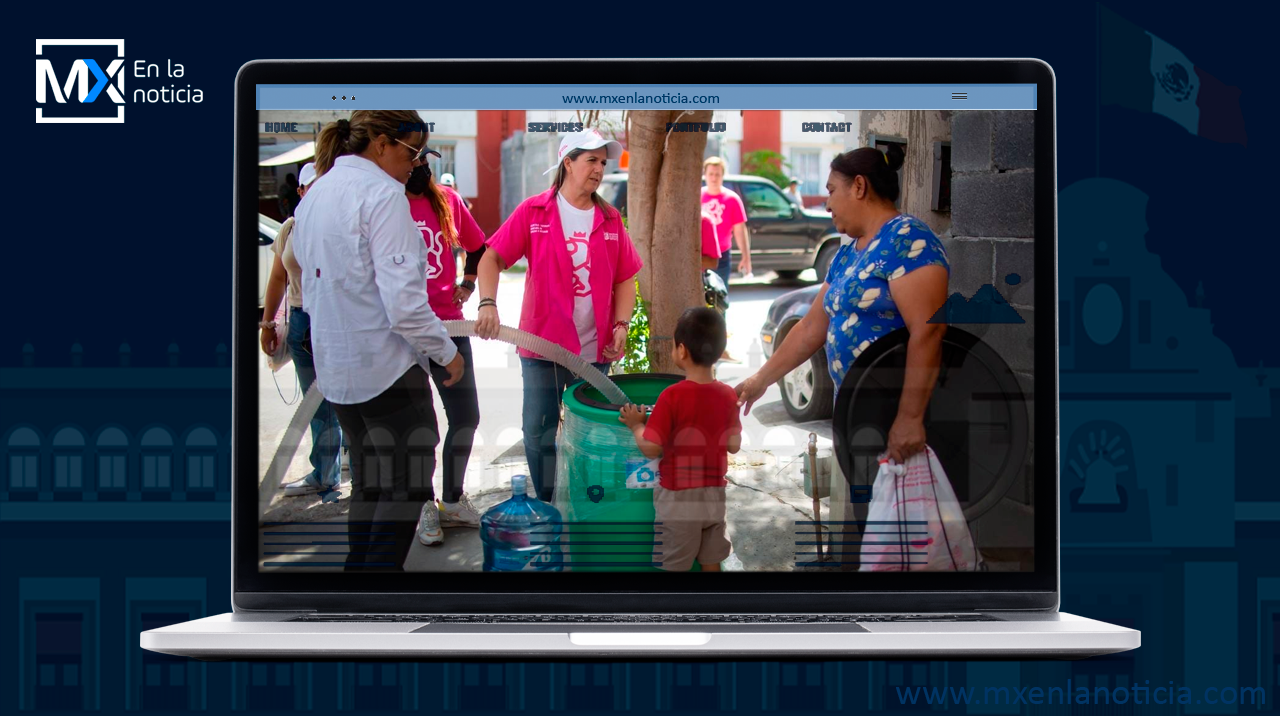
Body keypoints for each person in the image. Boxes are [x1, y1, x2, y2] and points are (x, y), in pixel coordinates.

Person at [292, 110, 465, 571]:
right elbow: (405, 305)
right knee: (408, 483)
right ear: (383, 144)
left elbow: (312, 286)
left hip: (339, 369)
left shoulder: (317, 193)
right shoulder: (382, 195)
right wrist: (447, 355)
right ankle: (377, 588)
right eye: (412, 152)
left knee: (369, 480)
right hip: (386, 368)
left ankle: (357, 579)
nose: (417, 164)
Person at [735, 145, 949, 465]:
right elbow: (810, 328)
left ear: (859, 186)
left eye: (832, 191)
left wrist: (909, 418)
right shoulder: (848, 254)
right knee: (867, 512)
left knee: (902, 514)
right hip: (854, 415)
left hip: (895, 416)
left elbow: (929, 330)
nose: (828, 203)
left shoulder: (908, 239)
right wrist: (759, 381)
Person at [476, 128, 642, 503]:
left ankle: (587, 501)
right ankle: (549, 502)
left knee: (595, 432)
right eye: (591, 160)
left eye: (603, 162)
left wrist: (621, 324)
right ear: (568, 162)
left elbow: (625, 279)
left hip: (595, 351)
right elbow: (492, 257)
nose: (599, 169)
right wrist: (488, 303)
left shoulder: (611, 219)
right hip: (544, 348)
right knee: (538, 431)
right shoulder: (535, 211)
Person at [619, 307, 740, 572]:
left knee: (674, 564)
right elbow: (734, 445)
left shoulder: (672, 397)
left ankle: (674, 612)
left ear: (681, 350)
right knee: (711, 560)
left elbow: (651, 448)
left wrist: (637, 425)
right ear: (720, 352)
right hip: (713, 497)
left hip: (678, 501)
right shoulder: (728, 396)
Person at [404, 162, 487, 544]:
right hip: (403, 332)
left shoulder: (448, 201)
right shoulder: (387, 201)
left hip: (450, 325)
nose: (417, 165)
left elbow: (479, 247)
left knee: (466, 416)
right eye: (411, 157)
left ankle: (452, 500)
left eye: (422, 157)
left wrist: (468, 284)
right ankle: (424, 505)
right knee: (419, 429)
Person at [260, 162, 343, 496]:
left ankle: (349, 465)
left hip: (335, 320)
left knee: (349, 397)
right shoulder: (291, 229)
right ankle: (324, 472)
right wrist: (267, 323)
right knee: (316, 404)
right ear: (301, 191)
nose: (316, 192)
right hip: (300, 321)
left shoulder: (339, 225)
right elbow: (278, 277)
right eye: (310, 186)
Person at [701, 157, 750, 288]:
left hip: (721, 255)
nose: (714, 178)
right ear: (704, 175)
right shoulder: (697, 196)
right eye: (710, 174)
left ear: (723, 175)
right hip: (699, 254)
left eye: (717, 174)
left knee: (720, 295)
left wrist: (746, 256)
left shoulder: (732, 199)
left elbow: (740, 230)